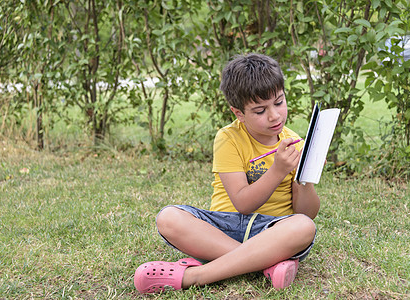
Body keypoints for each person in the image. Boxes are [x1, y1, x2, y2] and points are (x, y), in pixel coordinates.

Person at [133, 53, 320, 294]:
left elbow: (306, 213)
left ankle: (196, 275)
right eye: (260, 110)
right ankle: (265, 265)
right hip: (224, 226)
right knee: (168, 217)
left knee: (304, 226)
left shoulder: (293, 142)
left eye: (279, 102)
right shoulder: (228, 138)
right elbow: (243, 203)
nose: (274, 115)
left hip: (271, 231)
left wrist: (305, 174)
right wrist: (278, 169)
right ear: (238, 113)